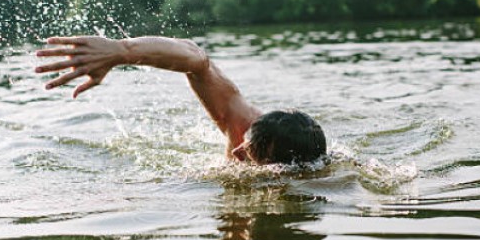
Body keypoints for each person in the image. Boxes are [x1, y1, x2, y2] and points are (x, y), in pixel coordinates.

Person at [35, 35, 326, 165]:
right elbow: (197, 59)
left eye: (249, 154)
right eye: (244, 142)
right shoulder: (243, 123)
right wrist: (121, 51)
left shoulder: (310, 178)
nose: (235, 151)